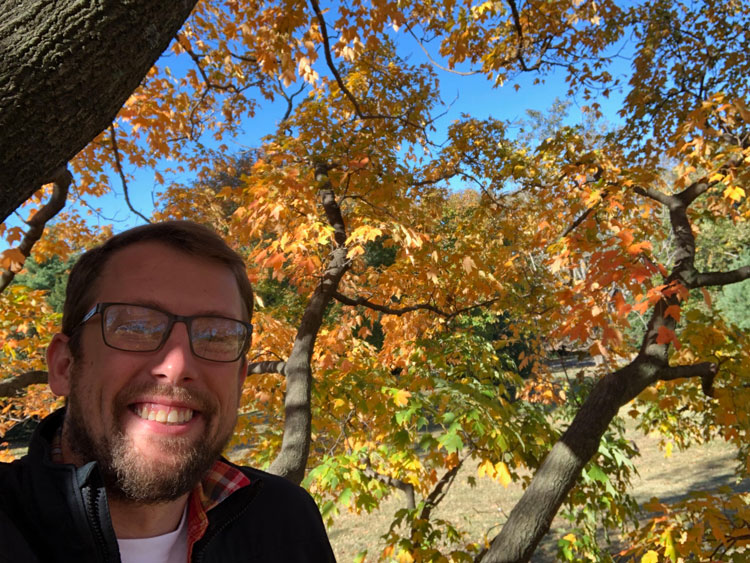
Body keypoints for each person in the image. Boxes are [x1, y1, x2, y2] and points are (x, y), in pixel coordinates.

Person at [0, 221, 336, 562]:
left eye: (215, 336)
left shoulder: (286, 521)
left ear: (239, 378)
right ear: (64, 366)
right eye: (134, 326)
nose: (177, 367)